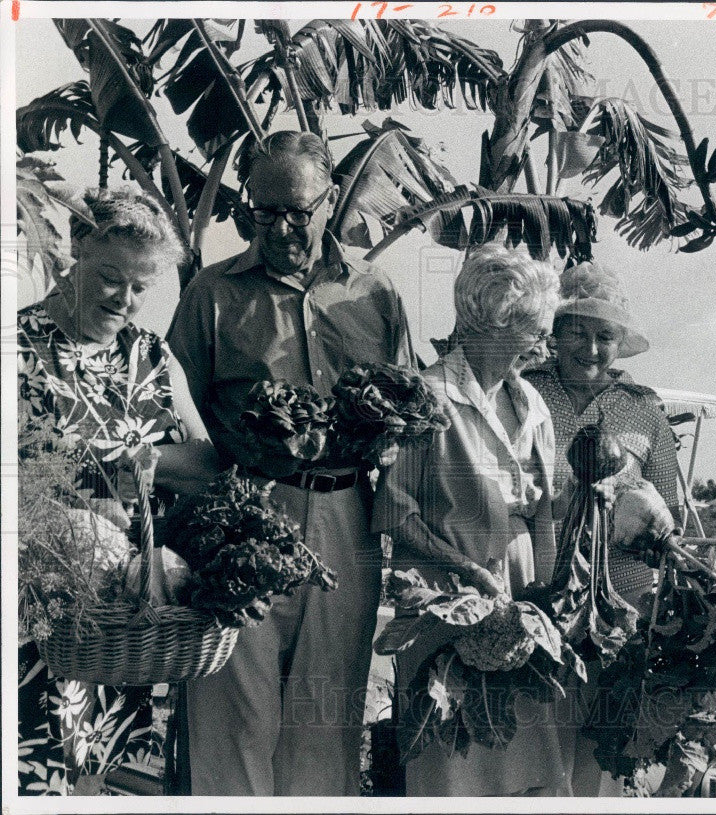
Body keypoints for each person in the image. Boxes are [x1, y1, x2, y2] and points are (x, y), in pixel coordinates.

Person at [167, 130, 417, 796]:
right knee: (231, 719)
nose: (280, 226)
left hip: (346, 517)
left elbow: (409, 413)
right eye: (263, 209)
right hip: (244, 518)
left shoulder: (376, 292)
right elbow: (170, 412)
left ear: (331, 199)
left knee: (324, 723)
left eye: (297, 211)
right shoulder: (213, 294)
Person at [17, 187, 218, 795]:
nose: (124, 300)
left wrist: (140, 461)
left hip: (125, 615)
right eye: (110, 278)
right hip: (39, 606)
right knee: (32, 763)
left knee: (94, 769)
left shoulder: (152, 355)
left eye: (139, 288)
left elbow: (208, 463)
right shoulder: (18, 345)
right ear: (76, 248)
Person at [372, 244, 571, 796]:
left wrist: (547, 600)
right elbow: (393, 512)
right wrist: (467, 570)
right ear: (495, 322)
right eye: (534, 327)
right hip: (444, 595)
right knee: (450, 752)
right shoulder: (426, 397)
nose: (543, 341)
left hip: (519, 589)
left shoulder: (531, 401)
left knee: (523, 751)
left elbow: (545, 512)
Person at [523, 259, 682, 796]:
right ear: (555, 336)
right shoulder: (522, 394)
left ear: (619, 345)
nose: (591, 349)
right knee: (540, 736)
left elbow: (672, 511)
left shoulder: (644, 410)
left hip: (624, 601)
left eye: (604, 337)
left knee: (603, 744)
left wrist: (632, 507)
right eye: (577, 334)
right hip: (540, 591)